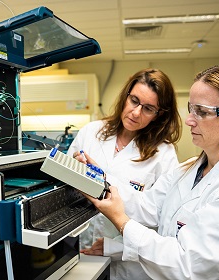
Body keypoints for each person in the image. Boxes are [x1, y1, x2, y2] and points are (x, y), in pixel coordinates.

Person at [83, 64, 219, 279]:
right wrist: (94, 176)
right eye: (191, 108)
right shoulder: (189, 170)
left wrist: (122, 223)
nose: (189, 120)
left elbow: (188, 266)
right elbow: (146, 207)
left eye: (203, 112)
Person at [67, 68, 182, 279]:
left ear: (159, 115)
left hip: (129, 262)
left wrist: (115, 248)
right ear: (126, 96)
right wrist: (72, 170)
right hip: (81, 248)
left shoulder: (163, 154)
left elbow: (162, 219)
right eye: (134, 101)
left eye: (148, 108)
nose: (136, 112)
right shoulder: (91, 132)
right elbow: (65, 188)